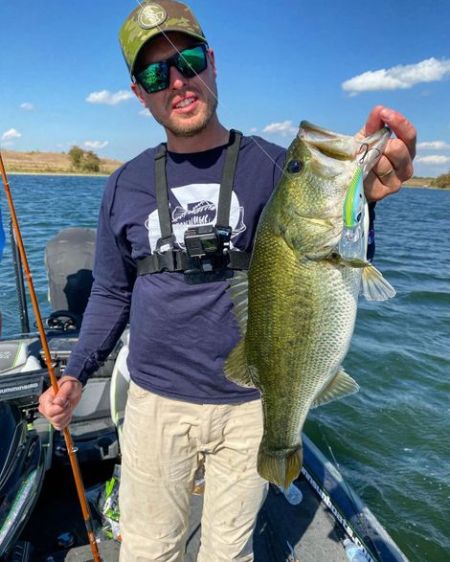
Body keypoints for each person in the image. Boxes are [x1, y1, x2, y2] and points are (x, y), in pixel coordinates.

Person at [38, 1, 417, 560]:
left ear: (211, 63)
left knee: (229, 552)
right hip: (154, 403)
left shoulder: (273, 165)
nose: (177, 81)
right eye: (155, 75)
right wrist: (75, 373)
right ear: (139, 93)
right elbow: (113, 291)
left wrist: (362, 201)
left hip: (251, 405)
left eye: (188, 60)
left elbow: (326, 264)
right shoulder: (124, 184)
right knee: (148, 549)